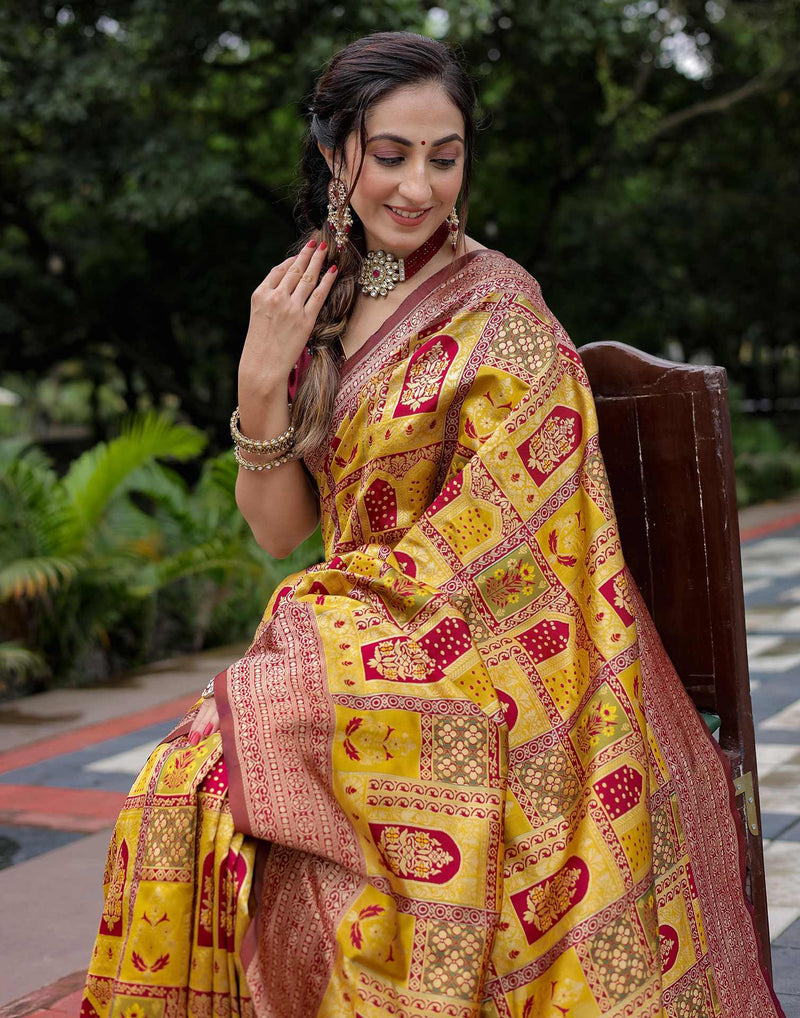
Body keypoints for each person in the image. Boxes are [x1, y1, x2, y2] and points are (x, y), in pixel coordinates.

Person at [80, 30, 784, 1018]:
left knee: (247, 761)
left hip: (486, 658)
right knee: (184, 784)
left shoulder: (500, 311)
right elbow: (279, 531)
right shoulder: (306, 305)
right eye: (391, 154)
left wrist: (346, 628)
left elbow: (512, 543)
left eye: (442, 158)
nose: (417, 187)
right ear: (337, 156)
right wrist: (257, 376)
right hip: (354, 647)